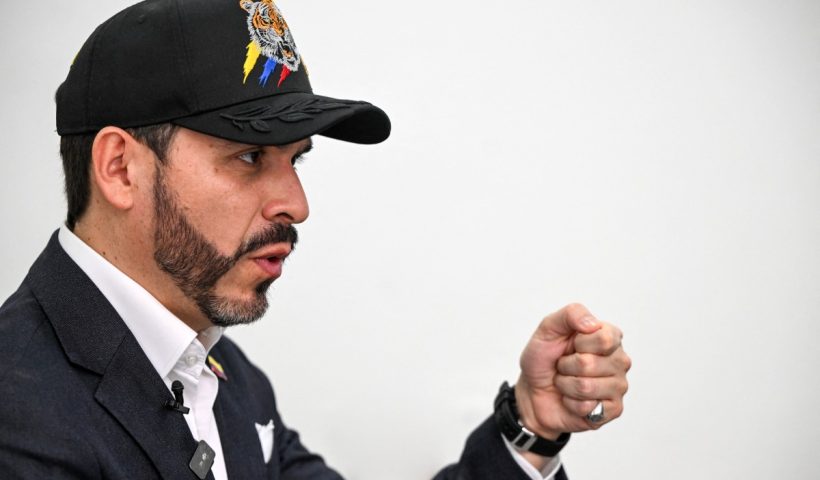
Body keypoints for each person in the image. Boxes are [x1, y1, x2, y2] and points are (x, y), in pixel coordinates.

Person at [0, 1, 630, 479]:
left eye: (295, 159)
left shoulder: (220, 372)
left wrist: (527, 426)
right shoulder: (19, 413)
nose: (297, 206)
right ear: (120, 169)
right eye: (250, 156)